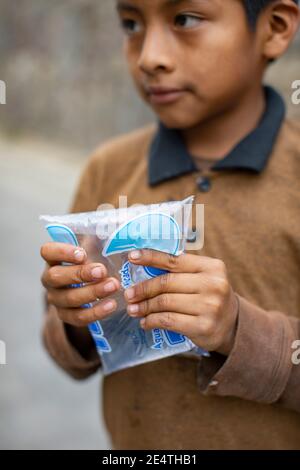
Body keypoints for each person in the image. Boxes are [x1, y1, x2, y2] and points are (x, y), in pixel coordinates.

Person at [40, 0, 300, 449]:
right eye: (131, 24)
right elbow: (63, 345)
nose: (148, 57)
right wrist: (79, 316)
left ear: (274, 28)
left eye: (185, 19)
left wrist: (238, 330)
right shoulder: (109, 169)